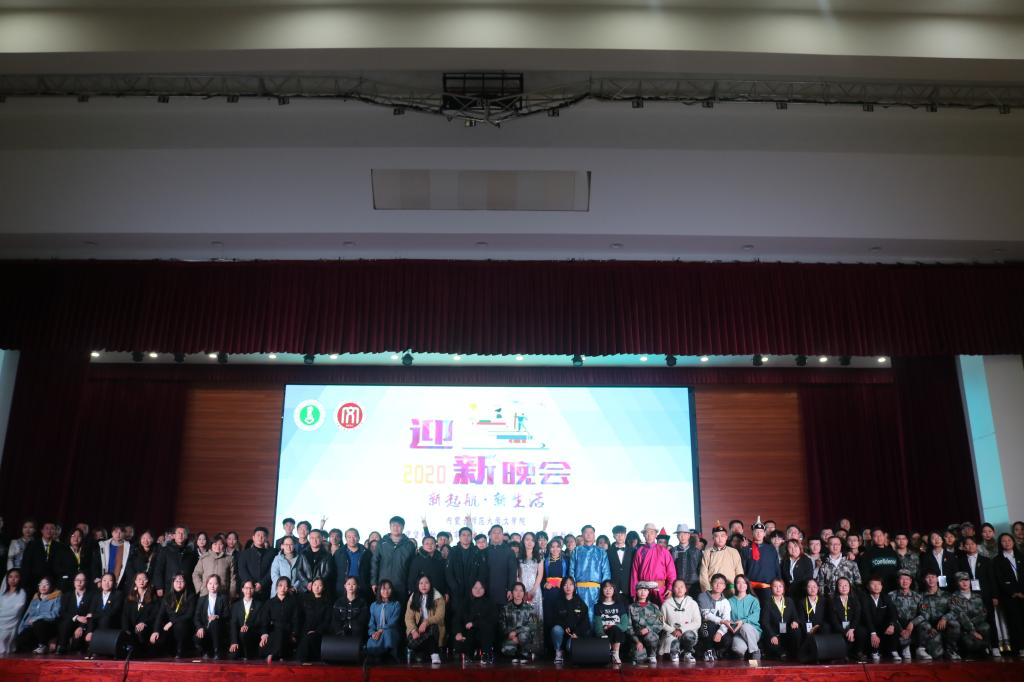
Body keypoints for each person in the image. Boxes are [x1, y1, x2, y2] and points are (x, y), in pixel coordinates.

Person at [956, 535, 998, 656]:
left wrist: (994, 596)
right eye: (967, 544)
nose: (970, 546)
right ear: (964, 547)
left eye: (972, 544)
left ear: (976, 545)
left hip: (985, 595)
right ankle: (978, 647)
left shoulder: (986, 560)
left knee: (990, 620)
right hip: (968, 596)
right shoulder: (960, 561)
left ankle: (994, 646)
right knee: (971, 621)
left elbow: (992, 579)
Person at [911, 568, 956, 661]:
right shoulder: (920, 596)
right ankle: (923, 649)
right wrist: (931, 627)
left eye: (933, 577)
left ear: (937, 579)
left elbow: (954, 611)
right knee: (937, 655)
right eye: (928, 577)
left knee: (955, 624)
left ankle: (951, 650)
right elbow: (922, 614)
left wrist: (945, 618)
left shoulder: (947, 595)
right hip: (929, 629)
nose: (931, 579)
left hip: (944, 627)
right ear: (924, 580)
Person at [992, 533, 1024, 657]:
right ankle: (1019, 648)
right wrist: (1013, 592)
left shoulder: (1021, 556)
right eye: (1004, 541)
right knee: (1014, 622)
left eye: (1009, 540)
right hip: (1009, 596)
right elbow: (999, 580)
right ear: (1000, 544)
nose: (1007, 543)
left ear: (1013, 542)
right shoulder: (997, 560)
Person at [569, 525, 611, 619]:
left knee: (596, 615)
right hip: (579, 589)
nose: (588, 535)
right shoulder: (576, 551)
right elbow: (571, 571)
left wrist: (605, 589)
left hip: (596, 590)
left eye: (591, 533)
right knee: (579, 615)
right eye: (586, 532)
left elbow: (606, 572)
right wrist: (573, 588)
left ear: (594, 535)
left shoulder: (601, 552)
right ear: (582, 535)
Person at [372, 516, 416, 602]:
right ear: (390, 527)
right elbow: (375, 563)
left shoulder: (409, 545)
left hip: (402, 584)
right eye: (393, 525)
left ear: (403, 527)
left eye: (398, 525)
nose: (396, 528)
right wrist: (373, 582)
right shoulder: (382, 543)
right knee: (383, 607)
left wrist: (411, 585)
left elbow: (413, 568)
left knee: (401, 607)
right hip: (383, 584)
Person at [452, 579, 497, 663]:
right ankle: (468, 655)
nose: (478, 590)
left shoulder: (490, 603)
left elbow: (492, 620)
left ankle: (486, 655)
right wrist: (458, 632)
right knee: (462, 638)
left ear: (485, 589)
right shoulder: (464, 603)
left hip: (484, 634)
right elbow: (457, 619)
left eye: (481, 588)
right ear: (471, 589)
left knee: (487, 629)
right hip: (468, 634)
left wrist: (474, 624)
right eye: (475, 588)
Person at [151, 572, 195, 658]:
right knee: (157, 640)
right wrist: (155, 631)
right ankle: (168, 651)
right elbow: (160, 615)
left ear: (185, 583)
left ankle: (180, 651)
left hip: (184, 625)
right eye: (177, 581)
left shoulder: (191, 596)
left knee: (180, 625)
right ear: (173, 583)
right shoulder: (167, 596)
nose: (179, 584)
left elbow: (189, 615)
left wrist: (171, 622)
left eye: (181, 581)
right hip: (169, 627)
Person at [405, 574, 446, 665]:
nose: (424, 585)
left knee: (433, 630)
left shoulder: (438, 597)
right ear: (417, 585)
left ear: (431, 584)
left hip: (432, 626)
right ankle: (429, 651)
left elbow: (440, 616)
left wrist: (426, 622)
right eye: (421, 583)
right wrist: (413, 630)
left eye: (426, 583)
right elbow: (408, 617)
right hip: (418, 627)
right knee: (411, 642)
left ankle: (434, 654)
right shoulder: (413, 597)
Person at [15, 576, 62, 654]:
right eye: (41, 584)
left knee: (39, 624)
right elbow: (27, 614)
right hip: (34, 626)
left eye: (46, 584)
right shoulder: (36, 598)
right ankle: (37, 647)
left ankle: (44, 645)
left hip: (49, 625)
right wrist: (22, 628)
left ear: (51, 586)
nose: (43, 586)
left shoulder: (56, 596)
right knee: (21, 639)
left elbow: (55, 614)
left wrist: (37, 618)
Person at [949, 571, 991, 658]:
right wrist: (972, 630)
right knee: (968, 643)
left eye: (966, 580)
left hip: (976, 625)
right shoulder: (953, 598)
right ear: (957, 583)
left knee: (985, 626)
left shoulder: (977, 596)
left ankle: (985, 648)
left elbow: (983, 613)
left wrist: (973, 624)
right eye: (961, 580)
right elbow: (960, 616)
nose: (964, 583)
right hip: (964, 627)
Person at [549, 576, 590, 663]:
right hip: (562, 634)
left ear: (574, 587)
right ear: (562, 587)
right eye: (565, 585)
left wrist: (577, 633)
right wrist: (564, 626)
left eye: (571, 584)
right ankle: (558, 652)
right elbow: (554, 619)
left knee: (570, 647)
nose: (568, 587)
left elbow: (585, 622)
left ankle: (569, 651)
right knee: (556, 629)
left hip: (575, 635)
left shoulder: (580, 602)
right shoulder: (558, 602)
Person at [446, 526, 483, 617]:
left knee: (473, 614)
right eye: (463, 535)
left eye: (468, 535)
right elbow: (448, 571)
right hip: (457, 590)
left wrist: (478, 585)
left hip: (473, 589)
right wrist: (454, 586)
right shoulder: (453, 551)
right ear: (459, 537)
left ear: (471, 537)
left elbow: (481, 570)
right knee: (457, 614)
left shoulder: (477, 551)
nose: (466, 537)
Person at [661, 578, 700, 662]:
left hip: (688, 633)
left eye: (682, 587)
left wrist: (681, 630)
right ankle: (674, 653)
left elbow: (697, 622)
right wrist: (673, 630)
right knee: (673, 643)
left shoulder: (692, 603)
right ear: (673, 589)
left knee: (688, 635)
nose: (679, 589)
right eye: (676, 587)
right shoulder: (666, 604)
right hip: (672, 634)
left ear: (685, 589)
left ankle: (687, 653)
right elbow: (661, 623)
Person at [499, 582, 541, 663]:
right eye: (516, 590)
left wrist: (516, 632)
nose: (518, 593)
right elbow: (502, 625)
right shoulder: (505, 608)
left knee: (522, 636)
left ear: (524, 593)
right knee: (506, 650)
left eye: (521, 591)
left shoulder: (530, 608)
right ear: (512, 592)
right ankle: (522, 653)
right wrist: (510, 635)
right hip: (511, 637)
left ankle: (524, 652)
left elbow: (533, 625)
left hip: (525, 637)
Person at [829, 576, 867, 661]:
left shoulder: (855, 600)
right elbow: (834, 621)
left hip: (852, 627)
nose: (844, 587)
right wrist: (845, 631)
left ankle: (858, 652)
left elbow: (857, 617)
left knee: (862, 631)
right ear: (837, 587)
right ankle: (843, 654)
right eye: (841, 585)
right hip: (839, 627)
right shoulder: (832, 601)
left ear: (850, 587)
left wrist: (851, 629)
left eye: (846, 585)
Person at [760, 577, 799, 661]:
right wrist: (772, 635)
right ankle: (782, 653)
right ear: (771, 588)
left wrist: (795, 622)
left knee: (796, 632)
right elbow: (764, 622)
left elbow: (795, 617)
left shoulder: (789, 601)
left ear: (783, 588)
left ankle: (795, 654)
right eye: (775, 586)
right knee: (776, 651)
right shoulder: (767, 602)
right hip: (774, 634)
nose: (778, 589)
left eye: (780, 586)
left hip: (787, 632)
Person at [593, 579, 630, 664]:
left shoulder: (620, 605)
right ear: (602, 590)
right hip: (604, 633)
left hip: (617, 633)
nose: (608, 590)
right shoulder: (597, 606)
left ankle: (615, 654)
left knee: (616, 630)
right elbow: (598, 625)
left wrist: (612, 626)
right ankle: (609, 650)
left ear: (614, 590)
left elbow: (624, 625)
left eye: (610, 588)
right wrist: (602, 634)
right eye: (605, 588)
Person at [742, 517, 780, 602]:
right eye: (756, 531)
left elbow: (776, 567)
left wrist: (779, 582)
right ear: (752, 533)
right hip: (751, 587)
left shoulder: (771, 549)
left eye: (761, 531)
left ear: (764, 533)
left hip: (768, 587)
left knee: (767, 608)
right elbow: (743, 568)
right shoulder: (746, 549)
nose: (759, 534)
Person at [699, 522, 743, 595]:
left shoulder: (733, 552)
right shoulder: (707, 552)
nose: (720, 539)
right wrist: (707, 591)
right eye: (717, 536)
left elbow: (739, 572)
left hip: (731, 589)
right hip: (713, 589)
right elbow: (703, 574)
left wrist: (739, 588)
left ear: (726, 537)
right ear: (713, 538)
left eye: (722, 536)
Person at [863, 575, 900, 662]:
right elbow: (866, 617)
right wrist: (873, 633)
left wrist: (892, 625)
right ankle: (874, 652)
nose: (876, 586)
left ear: (882, 586)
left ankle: (893, 650)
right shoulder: (864, 598)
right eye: (873, 584)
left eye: (878, 584)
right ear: (868, 587)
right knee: (863, 631)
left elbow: (893, 613)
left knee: (895, 626)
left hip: (882, 624)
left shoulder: (886, 597)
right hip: (870, 625)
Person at [887, 569, 922, 660]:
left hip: (912, 625)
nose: (905, 581)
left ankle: (919, 649)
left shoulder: (918, 596)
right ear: (898, 581)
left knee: (922, 624)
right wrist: (900, 629)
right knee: (892, 623)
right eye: (902, 579)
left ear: (910, 581)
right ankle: (903, 648)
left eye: (907, 579)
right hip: (897, 624)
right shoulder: (891, 595)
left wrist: (912, 623)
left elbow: (923, 614)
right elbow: (889, 614)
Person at [697, 573, 732, 662]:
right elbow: (706, 615)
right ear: (711, 583)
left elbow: (727, 620)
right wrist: (721, 621)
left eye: (721, 583)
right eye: (716, 582)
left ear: (724, 586)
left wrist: (720, 633)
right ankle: (708, 650)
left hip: (718, 628)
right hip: (704, 626)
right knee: (709, 624)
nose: (718, 585)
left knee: (728, 639)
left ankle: (717, 651)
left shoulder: (725, 602)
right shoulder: (703, 596)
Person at [122, 571, 158, 657]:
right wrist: (126, 629)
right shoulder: (129, 598)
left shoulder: (153, 597)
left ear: (148, 581)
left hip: (147, 627)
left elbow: (155, 615)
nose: (141, 581)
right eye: (139, 579)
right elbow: (125, 615)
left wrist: (144, 623)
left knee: (140, 631)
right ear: (135, 581)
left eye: (144, 579)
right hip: (132, 627)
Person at [20, 522, 63, 595]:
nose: (49, 531)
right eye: (47, 528)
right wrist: (24, 583)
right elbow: (26, 565)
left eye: (52, 529)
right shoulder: (32, 545)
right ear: (42, 531)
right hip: (33, 582)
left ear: (55, 531)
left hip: (52, 583)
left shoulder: (59, 546)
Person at [155, 526, 198, 597]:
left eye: (183, 533)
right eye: (178, 533)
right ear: (174, 536)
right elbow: (159, 569)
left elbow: (196, 571)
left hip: (187, 588)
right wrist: (159, 586)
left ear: (186, 536)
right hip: (169, 587)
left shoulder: (192, 551)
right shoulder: (165, 550)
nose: (181, 535)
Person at [297, 577, 333, 662]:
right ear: (311, 586)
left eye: (320, 585)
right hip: (305, 630)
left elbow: (327, 621)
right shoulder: (305, 599)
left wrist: (317, 631)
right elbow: (300, 617)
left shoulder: (327, 602)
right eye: (315, 585)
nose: (317, 587)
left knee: (310, 639)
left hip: (320, 632)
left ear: (323, 588)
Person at [84, 572, 123, 649]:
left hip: (112, 623)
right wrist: (90, 631)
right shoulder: (96, 595)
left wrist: (95, 615)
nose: (106, 583)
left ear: (114, 583)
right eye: (104, 580)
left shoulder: (118, 594)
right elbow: (90, 614)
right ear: (101, 582)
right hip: (96, 623)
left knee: (105, 619)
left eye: (110, 580)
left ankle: (100, 647)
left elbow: (113, 612)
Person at [193, 574, 228, 659]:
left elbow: (227, 615)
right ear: (207, 585)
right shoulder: (202, 599)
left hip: (218, 628)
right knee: (197, 638)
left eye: (215, 583)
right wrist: (199, 627)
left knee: (214, 623)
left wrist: (218, 617)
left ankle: (216, 652)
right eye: (210, 583)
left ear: (219, 585)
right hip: (205, 628)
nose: (212, 586)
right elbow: (196, 617)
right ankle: (205, 652)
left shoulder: (223, 598)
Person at [627, 582, 662, 665]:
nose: (643, 592)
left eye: (645, 590)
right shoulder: (631, 607)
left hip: (651, 638)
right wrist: (637, 641)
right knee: (638, 658)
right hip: (637, 638)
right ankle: (643, 653)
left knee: (651, 637)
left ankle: (652, 655)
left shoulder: (654, 607)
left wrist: (648, 629)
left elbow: (660, 624)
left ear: (648, 592)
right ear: (636, 592)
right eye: (640, 590)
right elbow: (629, 627)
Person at [727, 574, 761, 661]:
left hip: (752, 631)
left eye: (744, 582)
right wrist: (732, 625)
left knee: (745, 626)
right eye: (738, 583)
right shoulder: (730, 601)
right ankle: (744, 656)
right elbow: (727, 618)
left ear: (747, 585)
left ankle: (755, 651)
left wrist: (742, 621)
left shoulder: (754, 600)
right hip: (737, 632)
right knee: (738, 648)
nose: (741, 585)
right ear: (735, 585)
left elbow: (755, 616)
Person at [366, 579, 402, 661]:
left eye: (388, 588)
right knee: (372, 640)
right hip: (377, 633)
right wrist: (372, 633)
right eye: (383, 588)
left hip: (391, 632)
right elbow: (371, 623)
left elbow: (392, 622)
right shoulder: (373, 605)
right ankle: (378, 655)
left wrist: (381, 631)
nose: (386, 591)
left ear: (392, 590)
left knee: (387, 633)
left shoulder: (396, 604)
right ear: (379, 590)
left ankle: (389, 655)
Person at [407, 535, 447, 606]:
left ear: (435, 545)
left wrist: (446, 592)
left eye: (432, 543)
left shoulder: (441, 559)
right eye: (427, 543)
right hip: (422, 594)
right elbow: (412, 578)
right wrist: (414, 594)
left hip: (439, 593)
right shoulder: (417, 560)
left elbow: (445, 577)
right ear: (423, 546)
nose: (429, 545)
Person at [193, 534, 237, 599]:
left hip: (223, 594)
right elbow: (196, 574)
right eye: (215, 544)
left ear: (224, 545)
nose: (217, 547)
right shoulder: (204, 558)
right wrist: (200, 588)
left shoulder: (229, 559)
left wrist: (232, 594)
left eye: (220, 544)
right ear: (211, 545)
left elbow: (233, 578)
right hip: (205, 593)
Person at [57, 571, 91, 653]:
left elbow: (91, 613)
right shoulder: (67, 595)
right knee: (65, 623)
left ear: (86, 582)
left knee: (76, 645)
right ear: (74, 581)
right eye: (77, 580)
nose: (79, 582)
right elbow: (62, 612)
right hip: (70, 622)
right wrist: (76, 617)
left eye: (82, 580)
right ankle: (62, 646)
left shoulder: (92, 595)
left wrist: (82, 627)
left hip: (85, 623)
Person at [238, 527, 276, 601]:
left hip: (265, 589)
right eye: (258, 535)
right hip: (248, 589)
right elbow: (242, 570)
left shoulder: (272, 553)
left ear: (266, 538)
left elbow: (272, 570)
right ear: (253, 537)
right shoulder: (245, 553)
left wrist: (261, 584)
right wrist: (251, 584)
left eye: (263, 536)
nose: (260, 537)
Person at [335, 528, 372, 600]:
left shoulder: (366, 553)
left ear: (358, 538)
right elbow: (334, 571)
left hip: (362, 586)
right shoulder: (339, 553)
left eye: (354, 536)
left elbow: (371, 571)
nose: (352, 539)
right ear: (345, 538)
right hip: (344, 587)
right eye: (349, 537)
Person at [298, 529, 335, 596]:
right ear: (309, 539)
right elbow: (299, 570)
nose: (314, 540)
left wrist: (316, 583)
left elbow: (328, 572)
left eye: (317, 538)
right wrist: (307, 583)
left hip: (321, 588)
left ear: (321, 539)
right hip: (305, 588)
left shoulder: (327, 555)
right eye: (312, 538)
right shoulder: (303, 553)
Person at [517, 532, 544, 622]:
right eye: (527, 539)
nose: (529, 542)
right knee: (522, 616)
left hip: (535, 589)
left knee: (535, 617)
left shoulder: (539, 556)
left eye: (532, 540)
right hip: (521, 589)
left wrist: (533, 590)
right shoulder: (518, 556)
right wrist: (521, 590)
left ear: (535, 542)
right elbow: (517, 575)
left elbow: (540, 574)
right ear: (523, 541)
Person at [0, 568, 27, 655]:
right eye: (10, 577)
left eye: (16, 577)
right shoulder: (2, 594)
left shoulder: (21, 593)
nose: (13, 579)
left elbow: (15, 612)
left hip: (11, 624)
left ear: (20, 579)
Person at [781, 539, 815, 604]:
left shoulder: (806, 560)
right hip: (788, 593)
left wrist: (794, 585)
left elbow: (809, 577)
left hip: (802, 592)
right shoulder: (785, 561)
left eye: (795, 546)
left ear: (800, 547)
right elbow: (782, 576)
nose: (793, 549)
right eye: (790, 547)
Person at [608, 525, 636, 602]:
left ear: (625, 535)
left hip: (628, 588)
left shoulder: (633, 551)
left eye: (622, 534)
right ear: (613, 536)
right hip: (613, 588)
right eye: (617, 534)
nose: (620, 536)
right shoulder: (608, 552)